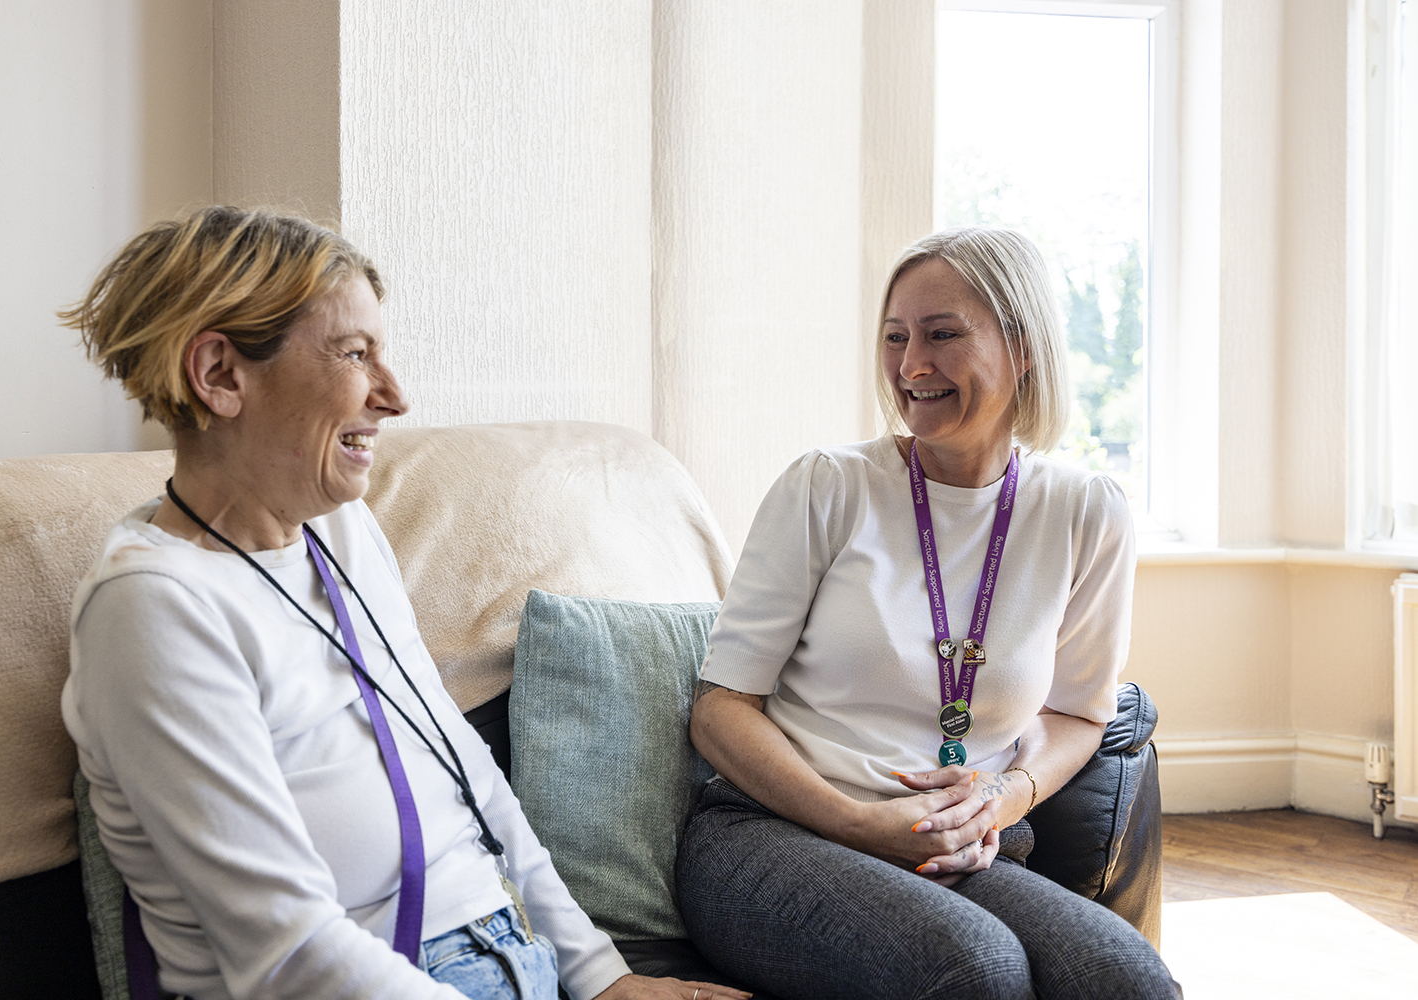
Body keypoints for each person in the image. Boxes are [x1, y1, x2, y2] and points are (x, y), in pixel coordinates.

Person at [59, 206, 749, 1000]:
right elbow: (288, 951)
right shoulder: (151, 607)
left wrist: (602, 976)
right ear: (220, 375)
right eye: (356, 354)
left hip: (507, 953)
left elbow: (459, 761)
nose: (394, 397)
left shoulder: (338, 530)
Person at [677, 227, 1178, 1000]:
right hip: (772, 831)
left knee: (1126, 979)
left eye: (942, 335)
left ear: (1023, 348)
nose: (912, 365)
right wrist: (855, 822)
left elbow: (1080, 712)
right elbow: (720, 710)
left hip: (957, 845)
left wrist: (1006, 797)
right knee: (978, 970)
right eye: (895, 337)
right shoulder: (828, 486)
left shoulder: (1087, 512)